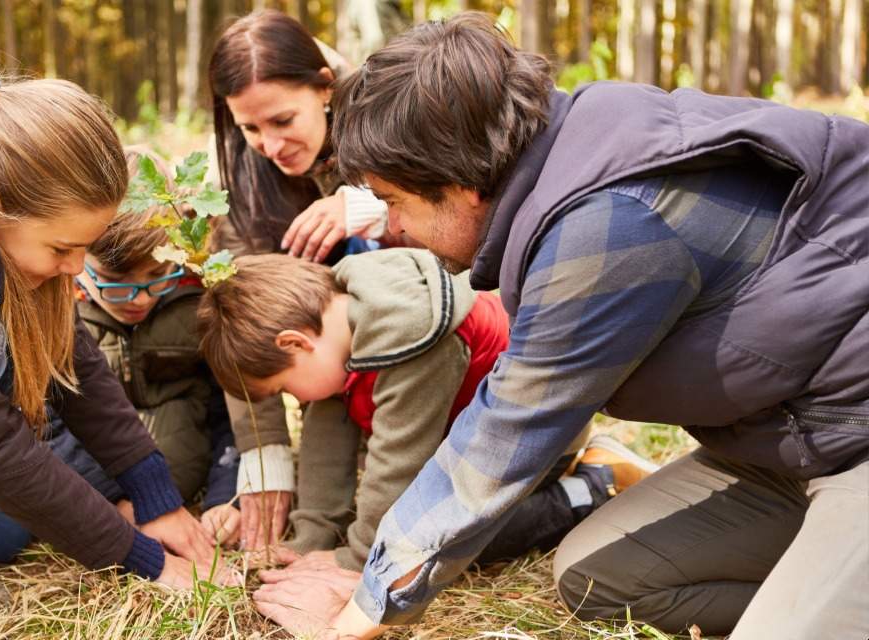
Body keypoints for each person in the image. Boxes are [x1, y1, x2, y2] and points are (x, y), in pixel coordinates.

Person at [251, 13, 869, 640]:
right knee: (599, 581)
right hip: (785, 447)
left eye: (396, 202)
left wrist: (355, 613)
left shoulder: (611, 224)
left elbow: (505, 434)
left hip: (857, 441)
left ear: (462, 184)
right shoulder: (572, 156)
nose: (393, 228)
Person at [0, 35, 225, 637]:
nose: (77, 268)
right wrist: (141, 557)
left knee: (1, 533)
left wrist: (152, 491)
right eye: (63, 248)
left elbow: (67, 349)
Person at [197, 249, 656, 571]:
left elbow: (400, 462)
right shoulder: (340, 327)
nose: (297, 401)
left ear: (295, 343)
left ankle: (595, 484)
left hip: (533, 444)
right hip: (466, 443)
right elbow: (325, 442)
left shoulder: (409, 337)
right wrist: (311, 537)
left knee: (447, 541)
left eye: (286, 388)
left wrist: (358, 560)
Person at [207, 9, 392, 554]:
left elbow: (466, 248)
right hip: (331, 371)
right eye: (249, 128)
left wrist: (375, 211)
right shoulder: (243, 186)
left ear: (325, 88)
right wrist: (265, 458)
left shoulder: (394, 120)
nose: (269, 144)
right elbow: (244, 320)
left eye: (284, 120)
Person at [47, 148, 242, 545]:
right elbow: (45, 426)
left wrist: (227, 496)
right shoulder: (56, 314)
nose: (138, 298)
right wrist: (114, 502)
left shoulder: (197, 304)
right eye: (115, 280)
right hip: (102, 496)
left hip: (192, 482)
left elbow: (232, 412)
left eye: (156, 275)